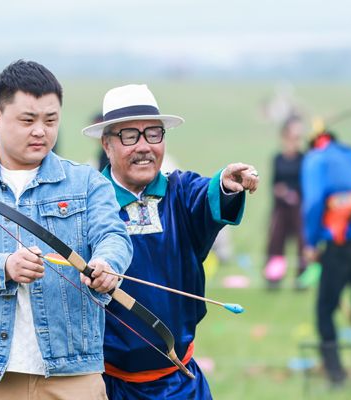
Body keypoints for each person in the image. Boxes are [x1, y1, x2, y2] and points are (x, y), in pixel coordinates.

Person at [0, 60, 132, 399]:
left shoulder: (87, 182)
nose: (40, 131)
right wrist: (4, 267)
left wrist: (108, 264)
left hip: (73, 372)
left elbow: (113, 236)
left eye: (50, 120)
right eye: (27, 120)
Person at [82, 84, 260, 399]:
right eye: (129, 136)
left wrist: (226, 184)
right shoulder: (87, 202)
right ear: (107, 145)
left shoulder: (181, 191)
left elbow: (209, 193)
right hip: (107, 385)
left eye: (153, 134)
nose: (144, 147)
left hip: (180, 384)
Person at [301, 127, 351, 385]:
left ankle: (335, 374)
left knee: (325, 308)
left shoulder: (316, 158)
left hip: (341, 240)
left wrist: (311, 242)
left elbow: (314, 201)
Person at [263, 115, 306, 288]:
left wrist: (295, 194)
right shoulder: (278, 159)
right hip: (281, 207)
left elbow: (305, 183)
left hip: (299, 207)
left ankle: (302, 278)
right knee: (276, 242)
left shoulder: (304, 158)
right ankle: (274, 277)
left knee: (302, 243)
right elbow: (274, 182)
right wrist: (281, 192)